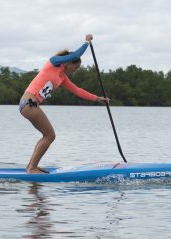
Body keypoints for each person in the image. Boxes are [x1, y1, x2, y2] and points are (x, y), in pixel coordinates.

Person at [19, 34, 109, 173]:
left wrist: (97, 98)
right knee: (50, 136)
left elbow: (78, 91)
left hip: (30, 105)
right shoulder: (53, 62)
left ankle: (31, 166)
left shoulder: (62, 77)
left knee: (47, 135)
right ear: (70, 62)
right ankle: (32, 168)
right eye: (76, 67)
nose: (76, 70)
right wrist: (86, 42)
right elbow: (77, 53)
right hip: (29, 103)